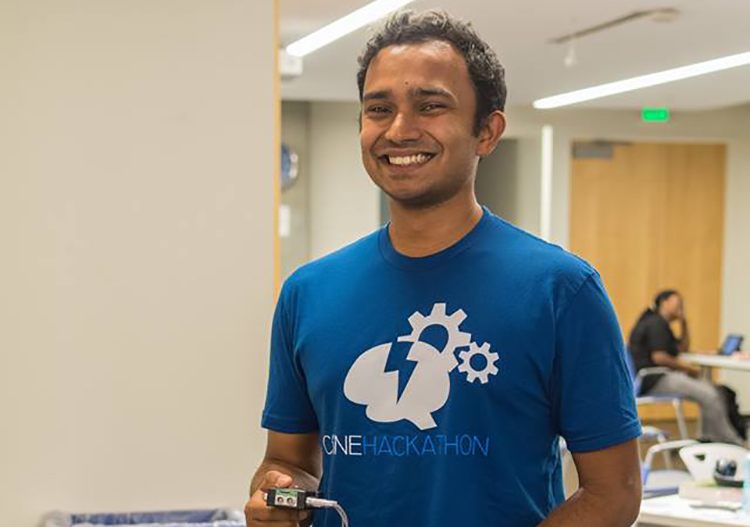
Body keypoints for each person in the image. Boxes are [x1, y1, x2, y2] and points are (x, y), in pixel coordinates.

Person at [246, 9, 642, 527]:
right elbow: (288, 462)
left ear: (487, 131)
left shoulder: (561, 290)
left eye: (431, 106)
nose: (400, 130)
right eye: (379, 109)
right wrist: (277, 495)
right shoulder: (308, 292)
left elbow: (614, 494)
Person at [629, 290, 745, 445]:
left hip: (658, 376)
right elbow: (660, 357)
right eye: (677, 301)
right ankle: (731, 441)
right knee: (709, 394)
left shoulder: (660, 323)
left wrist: (684, 322)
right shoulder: (655, 323)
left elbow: (682, 348)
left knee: (712, 390)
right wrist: (691, 370)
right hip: (654, 379)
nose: (681, 305)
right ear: (664, 302)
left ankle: (709, 438)